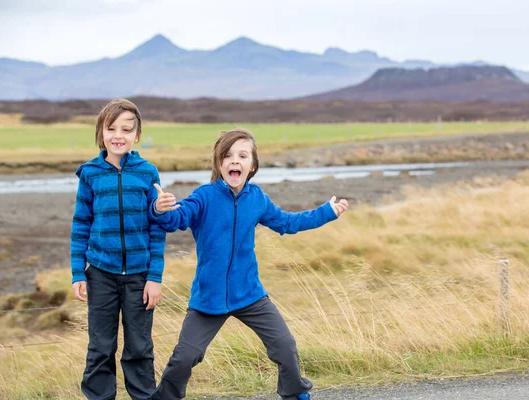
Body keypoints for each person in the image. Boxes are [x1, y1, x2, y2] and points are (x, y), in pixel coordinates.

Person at [149, 127, 348, 400]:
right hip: (209, 299)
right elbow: (177, 219)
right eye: (227, 155)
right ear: (219, 163)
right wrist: (160, 209)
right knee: (185, 357)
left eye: (242, 156)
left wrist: (327, 212)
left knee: (284, 345)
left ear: (252, 165)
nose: (234, 161)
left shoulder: (257, 199)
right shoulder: (204, 197)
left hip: (250, 294)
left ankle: (295, 393)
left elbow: (288, 223)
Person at [70, 98, 167, 400]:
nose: (118, 135)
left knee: (139, 345)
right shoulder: (90, 173)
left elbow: (157, 227)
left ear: (137, 135)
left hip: (140, 275)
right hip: (100, 273)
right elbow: (80, 224)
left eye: (127, 129)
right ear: (101, 133)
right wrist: (77, 272)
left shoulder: (147, 172)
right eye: (111, 128)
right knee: (101, 345)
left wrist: (155, 277)